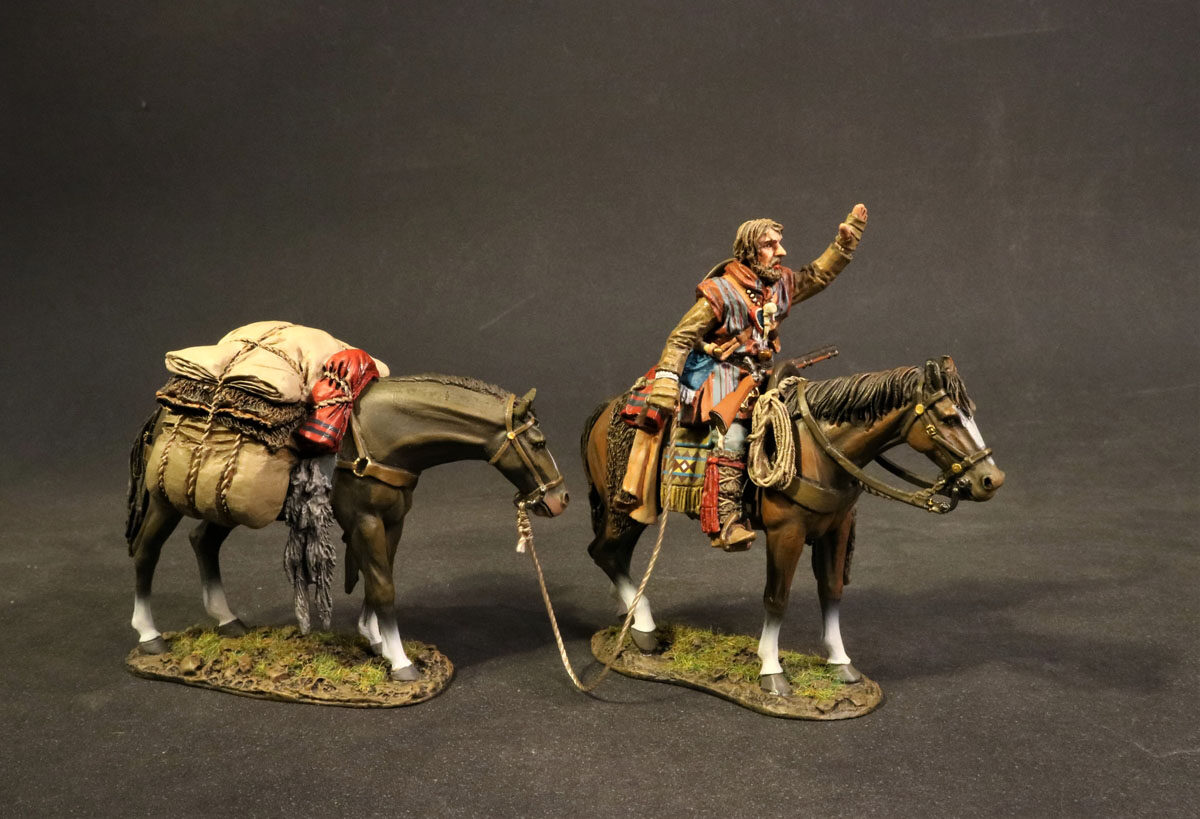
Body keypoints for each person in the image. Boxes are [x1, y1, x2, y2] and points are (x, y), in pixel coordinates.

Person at [634, 204, 869, 550]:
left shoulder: (779, 284)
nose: (781, 251)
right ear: (749, 251)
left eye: (779, 243)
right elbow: (681, 338)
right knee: (732, 436)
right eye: (770, 244)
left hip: (765, 374)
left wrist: (844, 242)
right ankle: (726, 519)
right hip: (725, 377)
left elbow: (817, 275)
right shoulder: (719, 292)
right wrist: (667, 381)